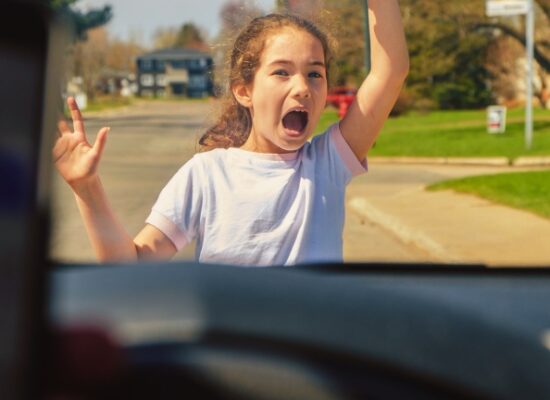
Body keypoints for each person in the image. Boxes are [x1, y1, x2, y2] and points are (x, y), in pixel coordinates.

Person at [53, 1, 408, 266]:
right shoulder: (206, 174)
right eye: (282, 72)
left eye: (315, 74)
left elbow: (390, 71)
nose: (302, 87)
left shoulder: (328, 162)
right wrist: (88, 189)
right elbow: (129, 267)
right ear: (244, 91)